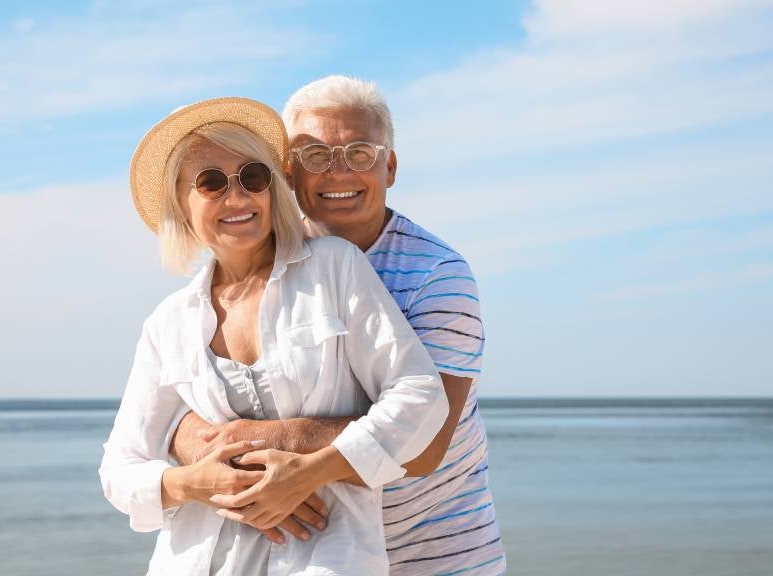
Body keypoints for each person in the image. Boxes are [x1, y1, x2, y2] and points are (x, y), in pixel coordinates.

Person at [99, 96, 449, 576]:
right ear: (181, 202)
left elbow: (421, 396)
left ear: (273, 189)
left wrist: (313, 470)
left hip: (327, 557)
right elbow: (120, 468)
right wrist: (193, 484)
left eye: (253, 177)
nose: (237, 197)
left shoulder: (335, 267)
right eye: (211, 183)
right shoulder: (168, 322)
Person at [171, 76, 506, 575]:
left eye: (360, 153)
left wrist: (284, 452)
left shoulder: (437, 275)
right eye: (315, 156)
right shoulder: (258, 263)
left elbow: (427, 443)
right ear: (288, 171)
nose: (338, 172)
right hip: (317, 552)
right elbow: (178, 409)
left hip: (436, 557)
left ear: (389, 166)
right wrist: (240, 474)